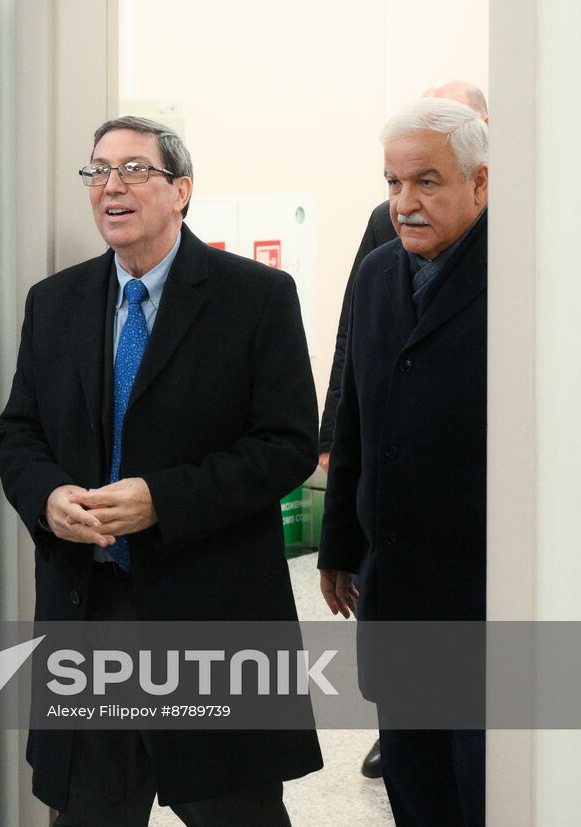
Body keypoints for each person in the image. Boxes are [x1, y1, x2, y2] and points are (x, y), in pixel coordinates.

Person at [0, 116, 322, 826]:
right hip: (90, 612)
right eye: (98, 171)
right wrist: (49, 497)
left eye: (135, 169)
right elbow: (18, 435)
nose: (111, 186)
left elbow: (289, 444)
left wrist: (162, 500)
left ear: (182, 191)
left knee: (235, 811)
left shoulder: (255, 298)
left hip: (209, 613)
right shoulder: (55, 303)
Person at [318, 97, 488, 827]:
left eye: (426, 181)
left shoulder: (521, 277)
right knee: (415, 785)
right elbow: (355, 418)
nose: (404, 202)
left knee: (480, 783)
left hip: (481, 593)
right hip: (396, 585)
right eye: (393, 182)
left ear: (480, 182)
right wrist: (338, 545)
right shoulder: (376, 273)